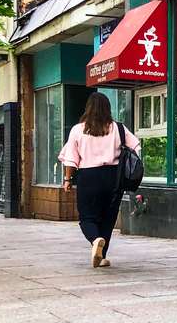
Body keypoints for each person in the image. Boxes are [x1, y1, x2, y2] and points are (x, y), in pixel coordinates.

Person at [59, 92, 140, 268]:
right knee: (108, 218)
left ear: (88, 108)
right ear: (108, 108)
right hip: (114, 177)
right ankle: (101, 257)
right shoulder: (118, 128)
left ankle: (95, 240)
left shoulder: (78, 130)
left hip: (88, 177)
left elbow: (71, 159)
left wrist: (67, 179)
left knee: (87, 217)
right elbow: (135, 147)